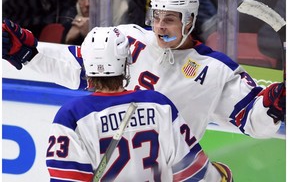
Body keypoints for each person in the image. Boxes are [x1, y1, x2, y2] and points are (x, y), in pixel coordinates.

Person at [3, 0, 285, 178]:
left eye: (170, 19)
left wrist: (274, 103)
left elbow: (253, 121)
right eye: (157, 16)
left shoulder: (215, 70)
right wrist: (31, 54)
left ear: (189, 20)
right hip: (113, 170)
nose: (160, 26)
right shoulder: (129, 39)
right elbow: (77, 66)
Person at [45, 26, 226, 181]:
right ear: (127, 61)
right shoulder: (158, 104)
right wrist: (221, 176)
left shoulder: (72, 115)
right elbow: (193, 173)